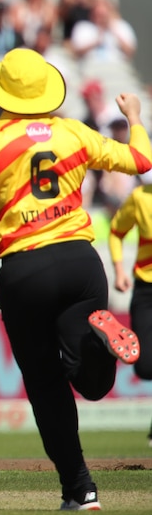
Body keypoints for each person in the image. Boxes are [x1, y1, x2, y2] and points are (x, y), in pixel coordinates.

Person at [0, 47, 149, 510]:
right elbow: (141, 162)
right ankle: (94, 341)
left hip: (26, 269)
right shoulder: (74, 133)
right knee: (92, 385)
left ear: (2, 91)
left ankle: (80, 488)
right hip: (81, 263)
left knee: (46, 385)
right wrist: (134, 116)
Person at [106, 180, 152, 446]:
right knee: (145, 366)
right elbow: (116, 231)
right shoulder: (140, 197)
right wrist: (119, 270)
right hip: (145, 288)